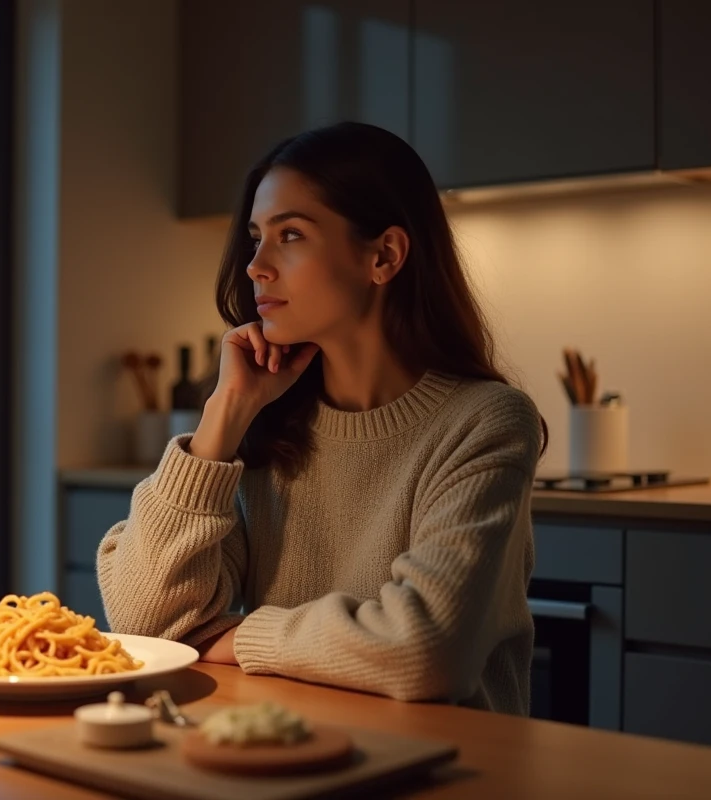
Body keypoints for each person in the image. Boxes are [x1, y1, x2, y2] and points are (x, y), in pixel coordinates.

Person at [97, 121, 546, 715]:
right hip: (279, 757)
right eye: (256, 236)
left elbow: (426, 648)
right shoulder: (265, 423)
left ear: (383, 256)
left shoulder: (484, 421)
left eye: (290, 235)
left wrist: (237, 635)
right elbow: (144, 622)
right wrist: (225, 414)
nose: (256, 265)